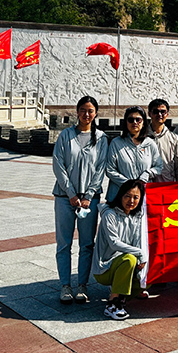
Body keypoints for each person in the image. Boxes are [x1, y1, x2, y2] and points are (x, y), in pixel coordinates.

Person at [52, 95, 109, 304]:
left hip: (89, 200)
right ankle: (65, 285)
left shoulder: (101, 138)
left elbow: (100, 168)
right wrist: (71, 194)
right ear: (77, 112)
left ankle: (82, 285)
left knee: (86, 244)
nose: (86, 114)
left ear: (96, 113)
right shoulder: (65, 136)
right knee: (64, 244)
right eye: (83, 110)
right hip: (64, 198)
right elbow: (58, 165)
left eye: (90, 110)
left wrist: (88, 195)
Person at [93, 179, 147, 320]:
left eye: (136, 197)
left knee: (148, 272)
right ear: (120, 196)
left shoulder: (136, 217)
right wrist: (140, 253)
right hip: (105, 269)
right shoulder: (109, 214)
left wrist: (142, 261)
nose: (131, 201)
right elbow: (114, 243)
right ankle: (112, 304)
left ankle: (121, 295)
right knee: (129, 259)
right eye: (127, 196)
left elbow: (137, 243)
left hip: (124, 265)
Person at [105, 107, 163, 204]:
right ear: (126, 122)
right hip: (119, 196)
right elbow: (109, 169)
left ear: (143, 122)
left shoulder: (150, 143)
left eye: (138, 119)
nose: (134, 122)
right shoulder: (116, 143)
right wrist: (128, 185)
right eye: (131, 120)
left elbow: (159, 166)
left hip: (142, 196)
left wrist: (147, 174)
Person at [147, 99, 178, 182]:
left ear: (167, 114)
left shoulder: (174, 138)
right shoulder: (142, 137)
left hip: (167, 183)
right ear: (149, 114)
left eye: (163, 112)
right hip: (147, 183)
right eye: (155, 111)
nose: (159, 114)